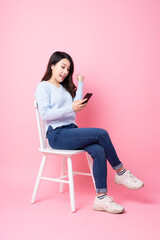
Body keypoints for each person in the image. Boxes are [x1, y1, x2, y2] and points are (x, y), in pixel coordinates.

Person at [35, 51, 144, 214]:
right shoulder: (43, 86)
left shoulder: (64, 89)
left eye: (68, 69)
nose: (65, 72)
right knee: (101, 134)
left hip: (71, 131)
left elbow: (73, 112)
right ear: (52, 65)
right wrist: (71, 107)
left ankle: (101, 198)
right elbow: (45, 114)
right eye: (62, 67)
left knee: (99, 150)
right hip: (56, 135)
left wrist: (80, 84)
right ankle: (121, 172)